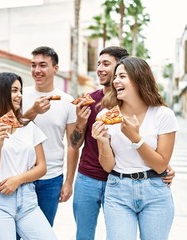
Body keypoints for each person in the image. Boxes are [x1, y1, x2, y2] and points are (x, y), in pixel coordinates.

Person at [70, 46, 176, 240]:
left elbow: (161, 163)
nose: (116, 81)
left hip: (154, 191)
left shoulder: (163, 115)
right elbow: (108, 165)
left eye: (122, 76)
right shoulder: (104, 114)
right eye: (116, 76)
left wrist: (135, 138)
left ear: (138, 79)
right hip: (116, 187)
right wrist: (102, 141)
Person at [0, 72, 57, 240]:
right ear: (0, 93)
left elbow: (42, 167)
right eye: (14, 91)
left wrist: (18, 179)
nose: (19, 95)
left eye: (20, 91)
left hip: (28, 200)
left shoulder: (28, 126)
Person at [22, 46, 79, 227]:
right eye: (33, 65)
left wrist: (69, 182)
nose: (37, 70)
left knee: (43, 231)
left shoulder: (67, 101)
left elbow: (72, 145)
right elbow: (9, 130)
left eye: (43, 65)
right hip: (20, 175)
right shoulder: (20, 96)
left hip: (51, 179)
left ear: (55, 68)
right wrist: (32, 112)